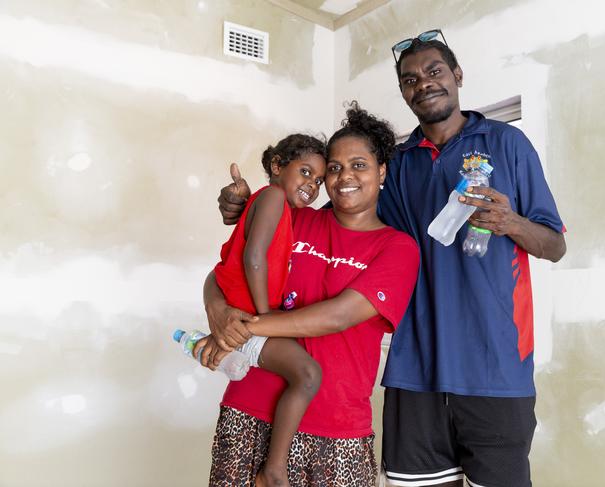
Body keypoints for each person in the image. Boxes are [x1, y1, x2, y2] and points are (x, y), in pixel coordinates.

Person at [217, 31, 567, 487]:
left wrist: (510, 222)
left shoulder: (507, 144)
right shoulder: (398, 164)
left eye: (434, 72)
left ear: (457, 75)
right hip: (413, 371)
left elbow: (554, 246)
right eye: (410, 79)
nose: (423, 84)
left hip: (494, 368)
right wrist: (248, 209)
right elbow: (316, 218)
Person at [197, 103, 420, 486]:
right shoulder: (293, 216)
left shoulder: (397, 248)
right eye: (333, 167)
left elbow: (336, 316)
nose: (343, 176)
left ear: (382, 171)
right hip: (250, 411)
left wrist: (247, 329)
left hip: (336, 431)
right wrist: (220, 317)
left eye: (359, 165)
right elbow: (224, 273)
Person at [209, 134, 328, 487]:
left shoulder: (276, 207)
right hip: (248, 319)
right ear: (277, 166)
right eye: (305, 172)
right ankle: (274, 470)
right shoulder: (274, 197)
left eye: (319, 180)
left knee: (303, 374)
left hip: (247, 318)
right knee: (307, 375)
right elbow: (254, 257)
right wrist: (267, 318)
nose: (312, 185)